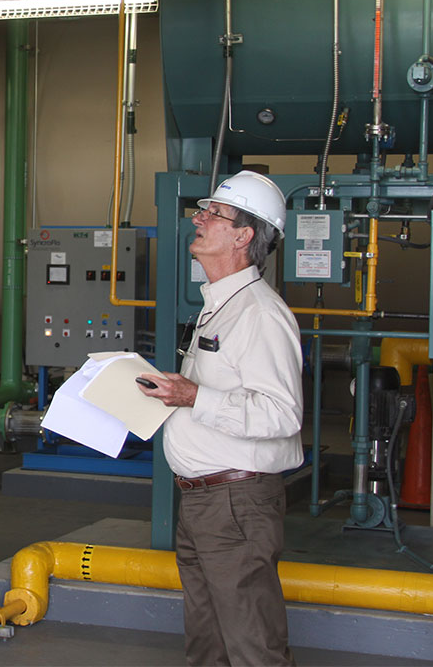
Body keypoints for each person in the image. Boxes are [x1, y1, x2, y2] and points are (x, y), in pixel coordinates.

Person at [137, 170, 303, 666]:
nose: (199, 219)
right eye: (203, 210)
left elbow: (282, 413)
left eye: (214, 213)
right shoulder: (220, 306)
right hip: (205, 501)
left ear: (243, 236)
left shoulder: (259, 314)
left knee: (252, 646)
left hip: (235, 503)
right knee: (207, 644)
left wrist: (193, 397)